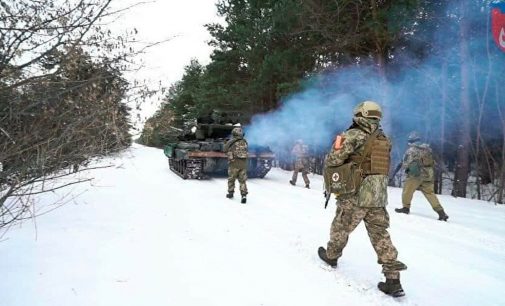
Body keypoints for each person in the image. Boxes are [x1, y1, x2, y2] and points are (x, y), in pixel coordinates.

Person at [318, 101, 407, 297]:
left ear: (359, 114)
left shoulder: (352, 135)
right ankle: (393, 279)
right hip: (378, 195)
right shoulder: (384, 138)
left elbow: (333, 160)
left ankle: (331, 256)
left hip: (356, 193)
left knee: (341, 226)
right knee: (380, 235)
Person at [394, 131, 449, 221]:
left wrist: (406, 167)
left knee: (407, 191)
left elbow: (406, 163)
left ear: (411, 141)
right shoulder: (427, 149)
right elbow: (433, 162)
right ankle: (441, 212)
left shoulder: (411, 150)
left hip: (415, 175)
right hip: (428, 174)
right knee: (430, 194)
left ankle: (405, 208)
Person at [224, 126, 248, 204]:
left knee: (231, 179)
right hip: (243, 165)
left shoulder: (231, 141)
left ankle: (231, 193)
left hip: (233, 164)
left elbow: (225, 150)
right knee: (242, 181)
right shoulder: (244, 142)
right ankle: (243, 195)